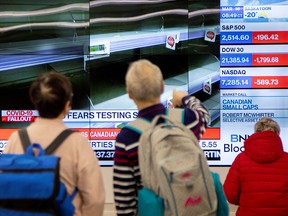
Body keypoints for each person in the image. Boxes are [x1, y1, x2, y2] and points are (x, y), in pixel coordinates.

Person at [113, 59, 210, 216]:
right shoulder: (187, 120)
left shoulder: (126, 137)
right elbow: (204, 113)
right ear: (162, 88)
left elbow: (124, 202)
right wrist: (183, 98)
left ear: (129, 93)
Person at [4, 71, 105, 216]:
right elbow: (95, 199)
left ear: (35, 101)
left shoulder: (15, 138)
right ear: (67, 105)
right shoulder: (77, 142)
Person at [223, 117, 288, 216]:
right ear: (277, 134)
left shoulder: (241, 159)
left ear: (256, 132)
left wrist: (247, 202)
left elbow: (230, 194)